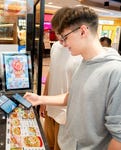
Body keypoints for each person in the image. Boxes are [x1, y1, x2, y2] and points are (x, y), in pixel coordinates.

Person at [24, 6, 121, 150]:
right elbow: (75, 95)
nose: (62, 43)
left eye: (65, 37)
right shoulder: (85, 62)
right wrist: (41, 99)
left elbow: (118, 138)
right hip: (68, 142)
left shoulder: (115, 72)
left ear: (83, 31)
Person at [39, 41, 82, 150]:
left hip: (65, 114)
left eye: (63, 34)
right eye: (58, 33)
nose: (62, 40)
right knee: (47, 144)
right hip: (50, 109)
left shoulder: (80, 51)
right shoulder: (56, 46)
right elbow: (51, 72)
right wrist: (44, 100)